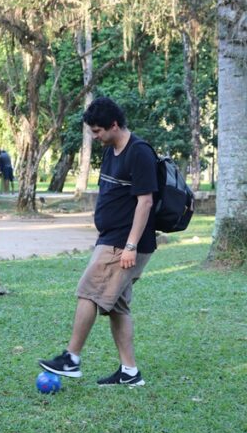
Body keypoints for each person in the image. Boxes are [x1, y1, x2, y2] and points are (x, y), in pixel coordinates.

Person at [38, 97, 158, 386]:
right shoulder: (111, 151)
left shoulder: (139, 152)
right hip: (110, 238)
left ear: (113, 125)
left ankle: (71, 358)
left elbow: (145, 202)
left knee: (88, 292)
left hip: (124, 243)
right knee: (118, 306)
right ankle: (130, 373)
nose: (95, 136)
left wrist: (130, 246)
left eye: (97, 131)